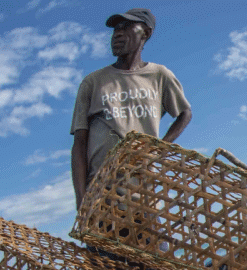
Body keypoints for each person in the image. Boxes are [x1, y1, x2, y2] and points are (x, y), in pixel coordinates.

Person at [70, 7, 191, 208]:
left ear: (146, 33)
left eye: (126, 27)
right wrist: (81, 200)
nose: (117, 33)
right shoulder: (93, 82)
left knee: (149, 237)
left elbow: (185, 113)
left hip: (144, 192)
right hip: (102, 193)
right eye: (116, 29)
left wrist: (159, 148)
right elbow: (79, 145)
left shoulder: (159, 75)